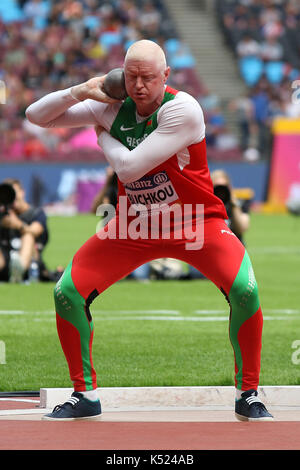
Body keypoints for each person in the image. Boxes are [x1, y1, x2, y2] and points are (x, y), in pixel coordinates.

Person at [26, 39, 273, 421]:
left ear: (166, 76)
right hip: (133, 224)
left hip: (195, 220)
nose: (139, 86)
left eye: (148, 78)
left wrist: (102, 135)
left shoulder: (184, 110)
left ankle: (249, 393)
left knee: (246, 290)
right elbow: (36, 116)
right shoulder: (110, 105)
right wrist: (79, 91)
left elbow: (128, 169)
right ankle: (84, 395)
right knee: (67, 291)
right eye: (132, 76)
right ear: (121, 75)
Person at [0, 178, 49, 283]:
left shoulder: (35, 213)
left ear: (22, 192)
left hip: (29, 262)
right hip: (4, 259)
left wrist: (17, 224)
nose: (12, 198)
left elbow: (35, 231)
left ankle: (18, 272)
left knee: (28, 236)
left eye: (14, 193)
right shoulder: (2, 214)